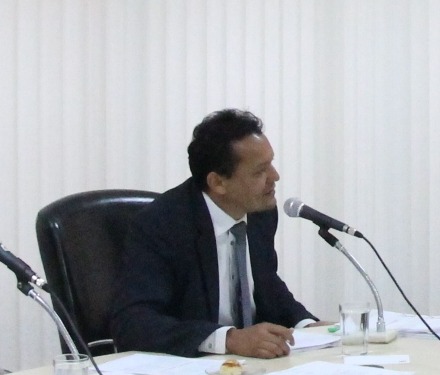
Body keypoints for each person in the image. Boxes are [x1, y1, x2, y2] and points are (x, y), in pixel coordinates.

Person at [113, 109, 317, 358]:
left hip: (250, 367)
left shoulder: (260, 212)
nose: (275, 177)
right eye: (259, 171)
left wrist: (307, 325)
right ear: (218, 183)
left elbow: (265, 285)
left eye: (271, 164)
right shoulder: (162, 225)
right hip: (190, 368)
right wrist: (228, 339)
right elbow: (134, 322)